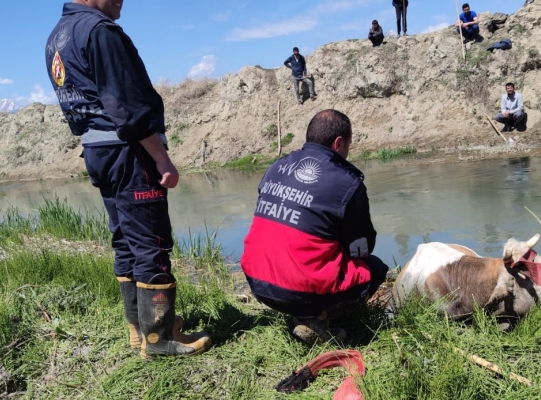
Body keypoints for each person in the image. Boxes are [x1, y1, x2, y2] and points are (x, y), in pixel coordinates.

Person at [45, 0, 211, 358]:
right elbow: (127, 105)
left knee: (124, 238)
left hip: (98, 150)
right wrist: (162, 157)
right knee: (151, 240)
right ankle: (159, 338)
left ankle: (139, 328)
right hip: (128, 150)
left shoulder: (57, 38)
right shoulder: (99, 31)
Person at [241, 109, 389, 345]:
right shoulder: (348, 183)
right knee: (375, 268)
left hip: (256, 281)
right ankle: (318, 319)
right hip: (295, 289)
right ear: (338, 142)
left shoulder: (276, 167)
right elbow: (361, 246)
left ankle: (303, 308)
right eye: (348, 146)